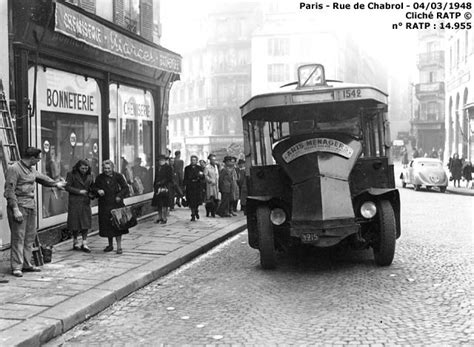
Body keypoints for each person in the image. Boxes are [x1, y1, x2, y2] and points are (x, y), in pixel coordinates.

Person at [4, 147, 66, 277]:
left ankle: (27, 264)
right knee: (18, 238)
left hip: (31, 206)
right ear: (32, 158)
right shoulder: (14, 169)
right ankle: (16, 266)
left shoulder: (31, 169)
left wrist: (56, 184)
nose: (39, 160)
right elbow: (9, 191)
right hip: (19, 206)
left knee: (29, 237)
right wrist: (15, 209)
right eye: (38, 158)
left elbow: (43, 178)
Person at [93, 160, 130, 254]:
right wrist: (98, 190)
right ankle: (110, 245)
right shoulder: (100, 178)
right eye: (105, 168)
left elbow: (125, 187)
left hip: (116, 203)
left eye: (109, 168)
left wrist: (119, 196)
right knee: (108, 226)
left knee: (118, 225)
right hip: (105, 204)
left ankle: (119, 246)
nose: (107, 170)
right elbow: (94, 187)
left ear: (112, 168)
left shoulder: (118, 176)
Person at [65, 159, 95, 253]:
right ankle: (75, 241)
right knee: (75, 222)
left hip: (85, 201)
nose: (84, 170)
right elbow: (67, 187)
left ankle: (84, 242)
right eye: (82, 168)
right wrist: (79, 191)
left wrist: (92, 194)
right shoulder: (71, 174)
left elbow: (92, 187)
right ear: (78, 167)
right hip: (75, 202)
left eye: (86, 168)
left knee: (85, 222)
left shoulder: (91, 175)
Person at [151, 155, 172, 224]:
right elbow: (156, 178)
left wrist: (162, 182)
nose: (160, 161)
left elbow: (169, 178)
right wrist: (155, 186)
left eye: (162, 160)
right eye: (159, 160)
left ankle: (164, 217)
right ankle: (160, 217)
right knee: (158, 204)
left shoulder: (168, 167)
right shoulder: (157, 168)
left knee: (164, 204)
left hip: (165, 187)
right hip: (158, 187)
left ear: (164, 160)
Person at [183, 155, 205, 221]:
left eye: (194, 160)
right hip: (190, 186)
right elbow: (185, 177)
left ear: (196, 161)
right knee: (191, 201)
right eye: (192, 160)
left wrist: (201, 177)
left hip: (197, 186)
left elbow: (203, 177)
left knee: (197, 201)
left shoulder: (199, 168)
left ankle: (196, 210)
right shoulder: (187, 168)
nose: (193, 161)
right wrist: (184, 186)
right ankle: (192, 214)